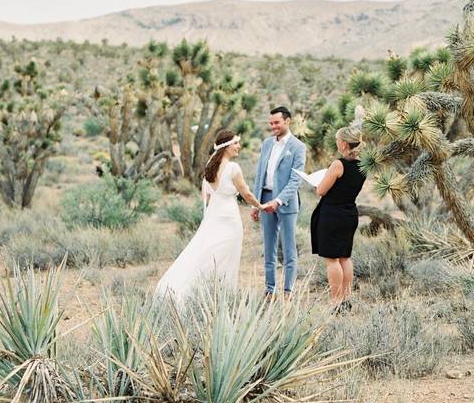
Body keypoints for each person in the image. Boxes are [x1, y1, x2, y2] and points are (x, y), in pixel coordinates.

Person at [155, 129, 262, 305]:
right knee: (226, 256)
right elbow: (247, 194)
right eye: (235, 143)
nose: (238, 146)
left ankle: (205, 293)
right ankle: (221, 296)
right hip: (229, 217)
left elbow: (207, 197)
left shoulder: (210, 165)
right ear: (226, 146)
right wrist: (260, 206)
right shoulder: (233, 168)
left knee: (206, 252)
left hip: (214, 215)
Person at [310, 109, 366, 309]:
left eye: (337, 140)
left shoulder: (338, 165)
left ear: (343, 143)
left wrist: (317, 183)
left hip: (332, 214)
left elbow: (321, 190)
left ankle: (335, 301)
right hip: (350, 213)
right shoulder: (363, 166)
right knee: (345, 257)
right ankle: (346, 299)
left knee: (332, 259)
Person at [252, 106, 306, 298]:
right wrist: (255, 203)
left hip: (286, 203)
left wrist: (279, 200)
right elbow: (260, 174)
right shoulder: (266, 144)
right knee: (269, 246)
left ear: (287, 121)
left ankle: (288, 290)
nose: (273, 126)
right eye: (271, 123)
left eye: (276, 122)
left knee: (289, 248)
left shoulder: (298, 147)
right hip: (265, 199)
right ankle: (269, 289)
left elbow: (295, 180)